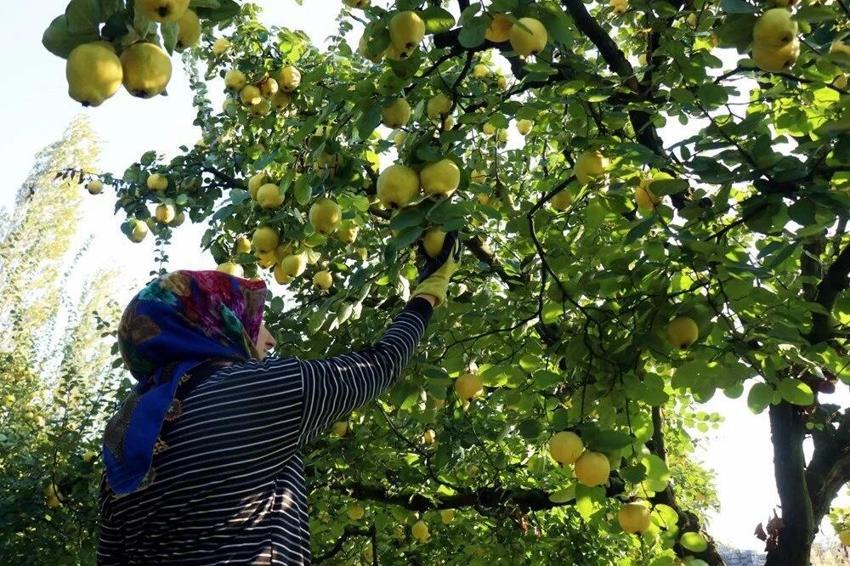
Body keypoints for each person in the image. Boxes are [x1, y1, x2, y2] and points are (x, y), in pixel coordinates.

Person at [96, 234, 461, 564]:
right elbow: (378, 365)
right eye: (251, 321)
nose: (269, 340)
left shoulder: (122, 439)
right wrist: (428, 292)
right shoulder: (254, 391)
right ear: (214, 323)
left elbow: (111, 559)